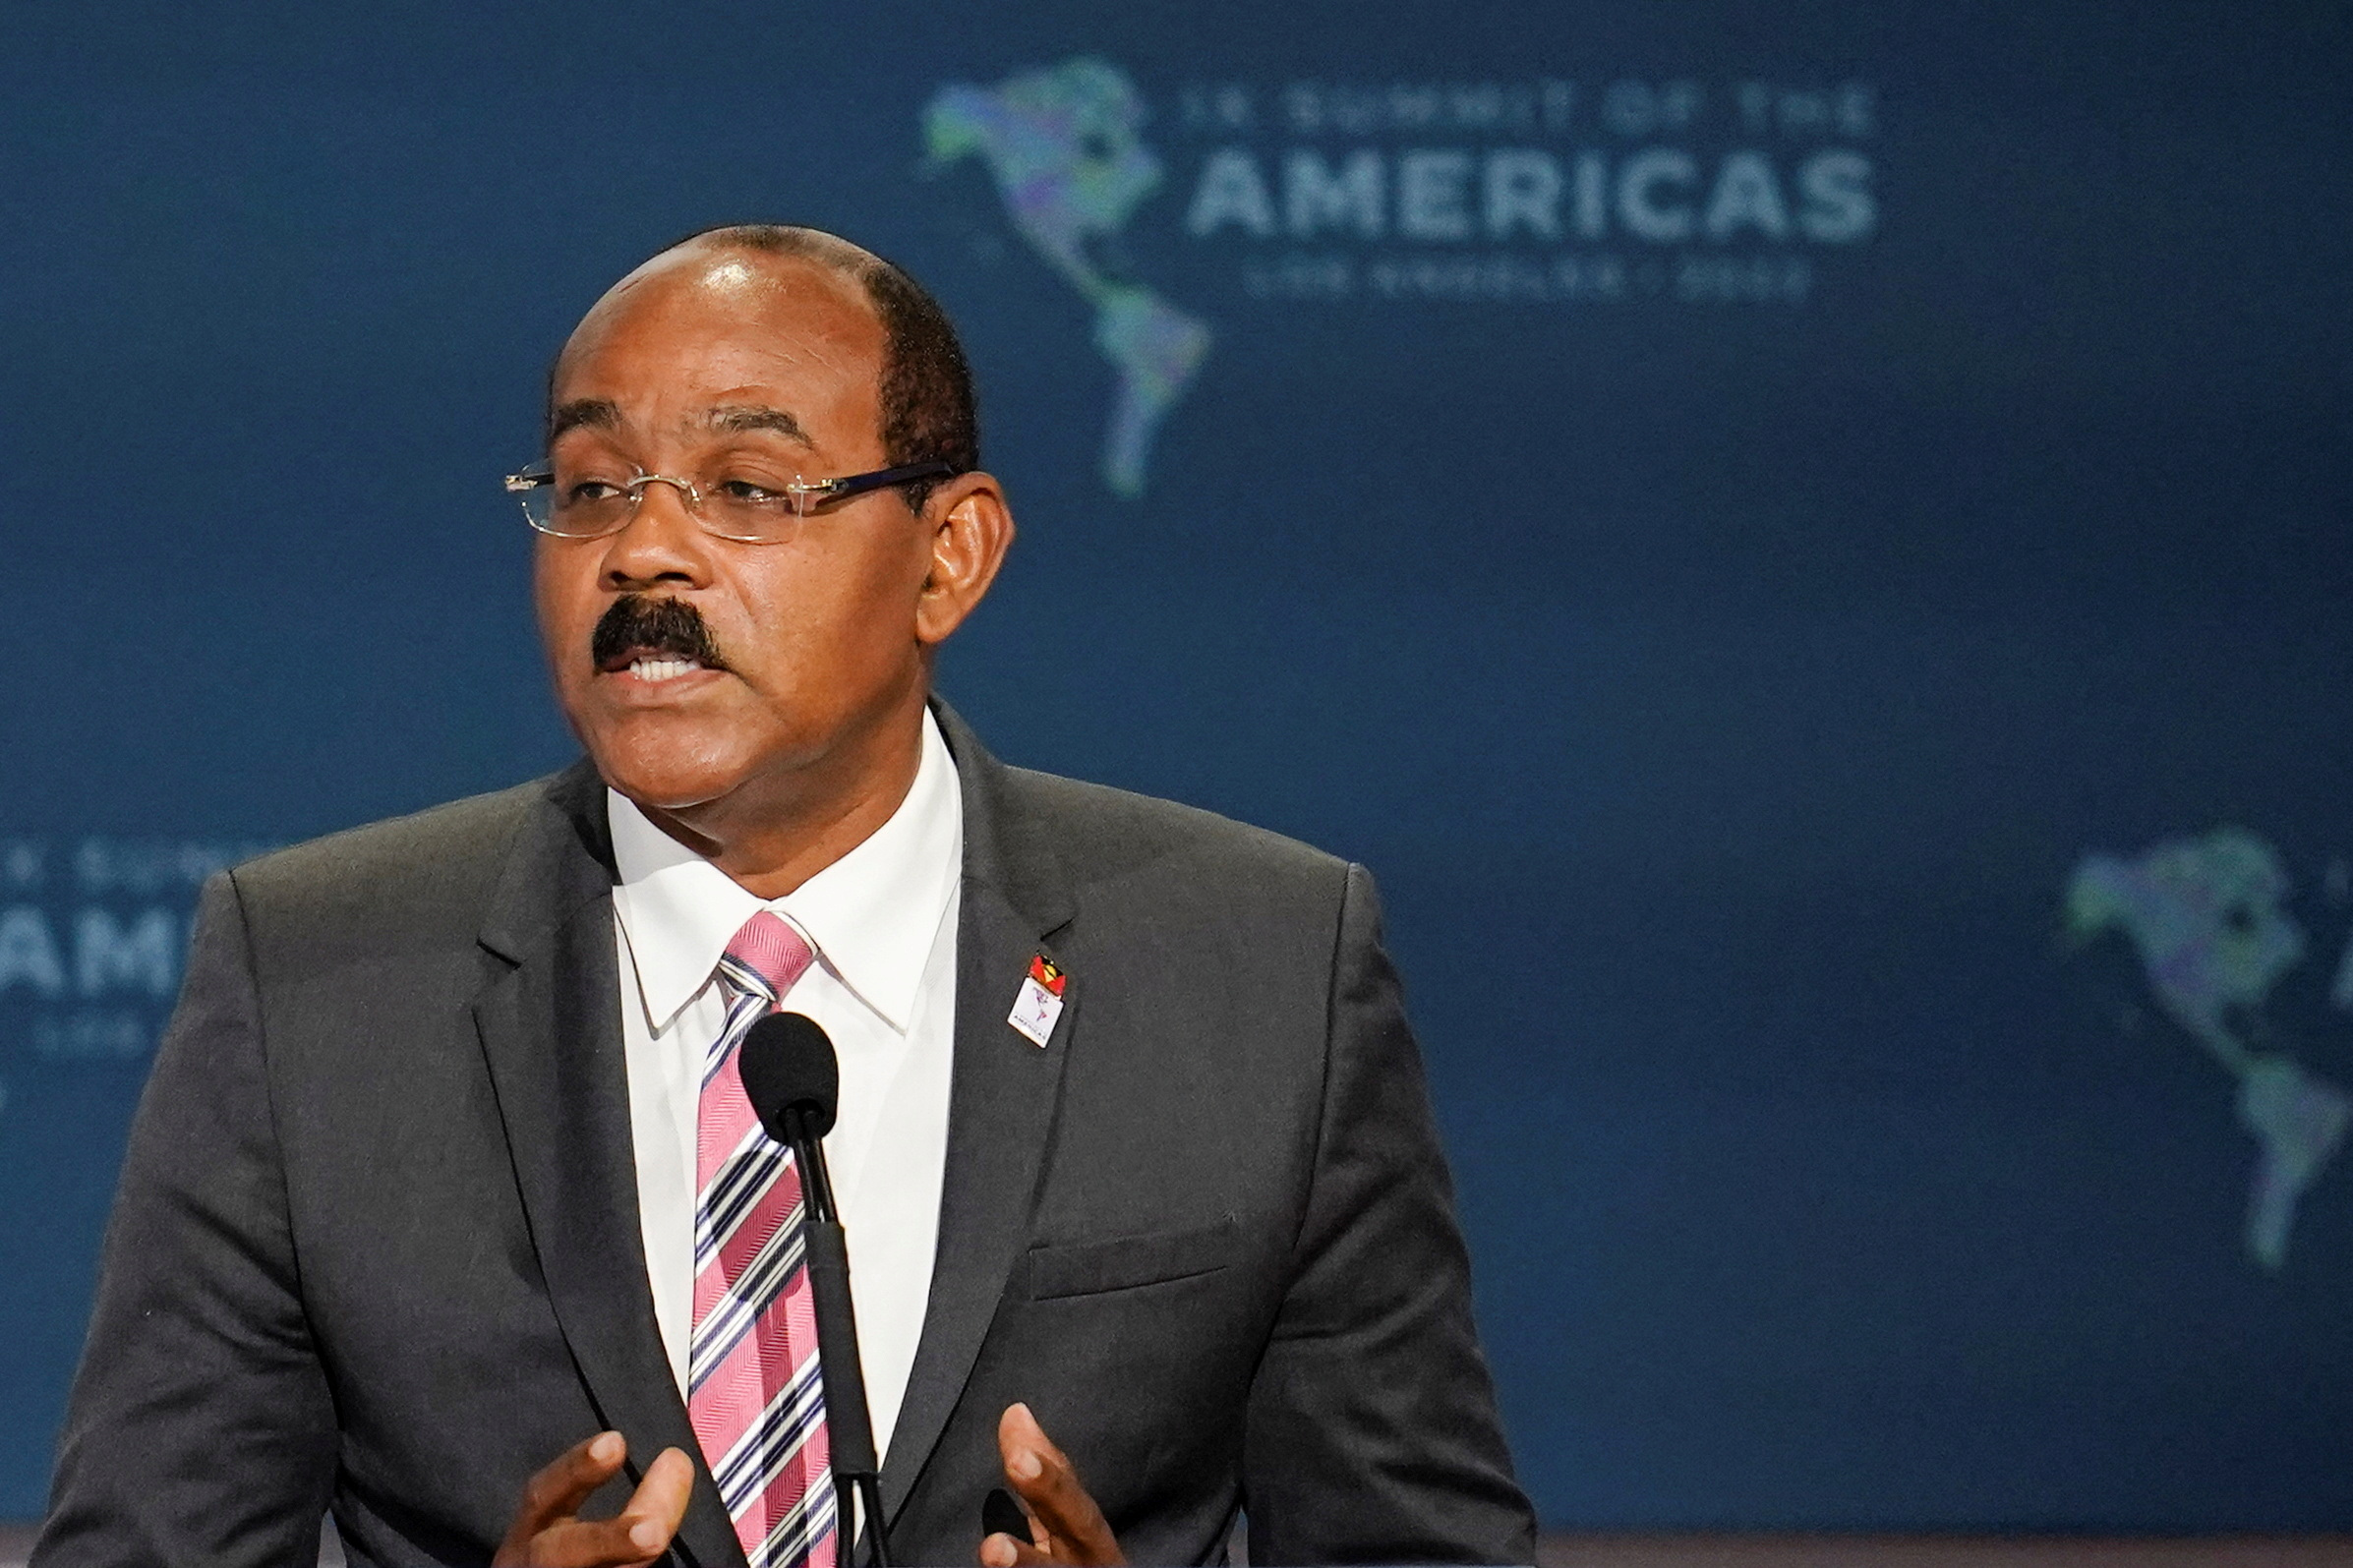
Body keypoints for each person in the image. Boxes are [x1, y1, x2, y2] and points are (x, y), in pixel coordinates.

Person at [32, 226, 1535, 1568]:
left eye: (746, 489)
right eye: (589, 489)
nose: (643, 551)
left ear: (948, 558)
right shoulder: (314, 982)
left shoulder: (1260, 971)